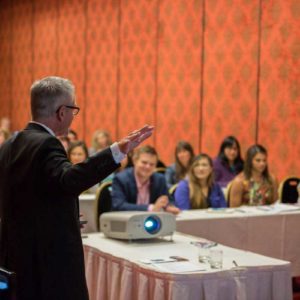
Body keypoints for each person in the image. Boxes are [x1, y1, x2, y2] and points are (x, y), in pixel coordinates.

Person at [0, 76, 153, 300]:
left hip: (14, 259)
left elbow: (30, 197)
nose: (73, 115)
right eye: (74, 109)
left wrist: (60, 216)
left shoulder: (10, 144)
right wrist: (116, 151)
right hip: (47, 266)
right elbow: (69, 180)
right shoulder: (46, 143)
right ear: (62, 112)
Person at [112, 145, 180, 214]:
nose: (148, 167)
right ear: (134, 161)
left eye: (152, 164)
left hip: (153, 222)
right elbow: (118, 205)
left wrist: (169, 207)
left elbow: (169, 200)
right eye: (144, 162)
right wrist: (151, 208)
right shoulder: (121, 179)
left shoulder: (159, 179)